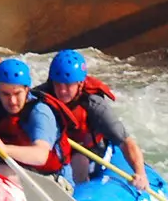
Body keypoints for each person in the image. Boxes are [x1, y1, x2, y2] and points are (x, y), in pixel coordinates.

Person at [35, 50, 148, 190]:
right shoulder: (40, 96)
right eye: (58, 84)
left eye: (68, 85)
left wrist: (140, 173)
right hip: (56, 146)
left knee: (78, 162)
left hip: (88, 148)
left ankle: (81, 194)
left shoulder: (94, 104)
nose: (62, 91)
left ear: (80, 84)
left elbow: (126, 142)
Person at [0, 57, 67, 177]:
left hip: (50, 178)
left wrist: (4, 149)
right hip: (17, 167)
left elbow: (41, 156)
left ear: (27, 90)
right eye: (5, 94)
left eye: (17, 93)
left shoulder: (40, 112)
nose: (12, 100)